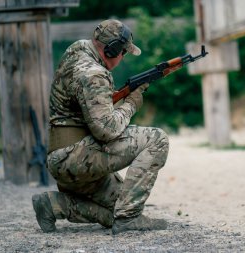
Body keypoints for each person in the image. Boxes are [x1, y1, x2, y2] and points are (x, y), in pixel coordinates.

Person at [31, 19, 169, 235]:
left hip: (66, 157)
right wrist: (131, 104)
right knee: (157, 139)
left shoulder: (77, 49)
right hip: (74, 157)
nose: (123, 58)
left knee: (119, 207)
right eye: (123, 52)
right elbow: (107, 130)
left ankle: (54, 205)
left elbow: (91, 106)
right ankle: (129, 219)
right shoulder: (93, 73)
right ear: (112, 50)